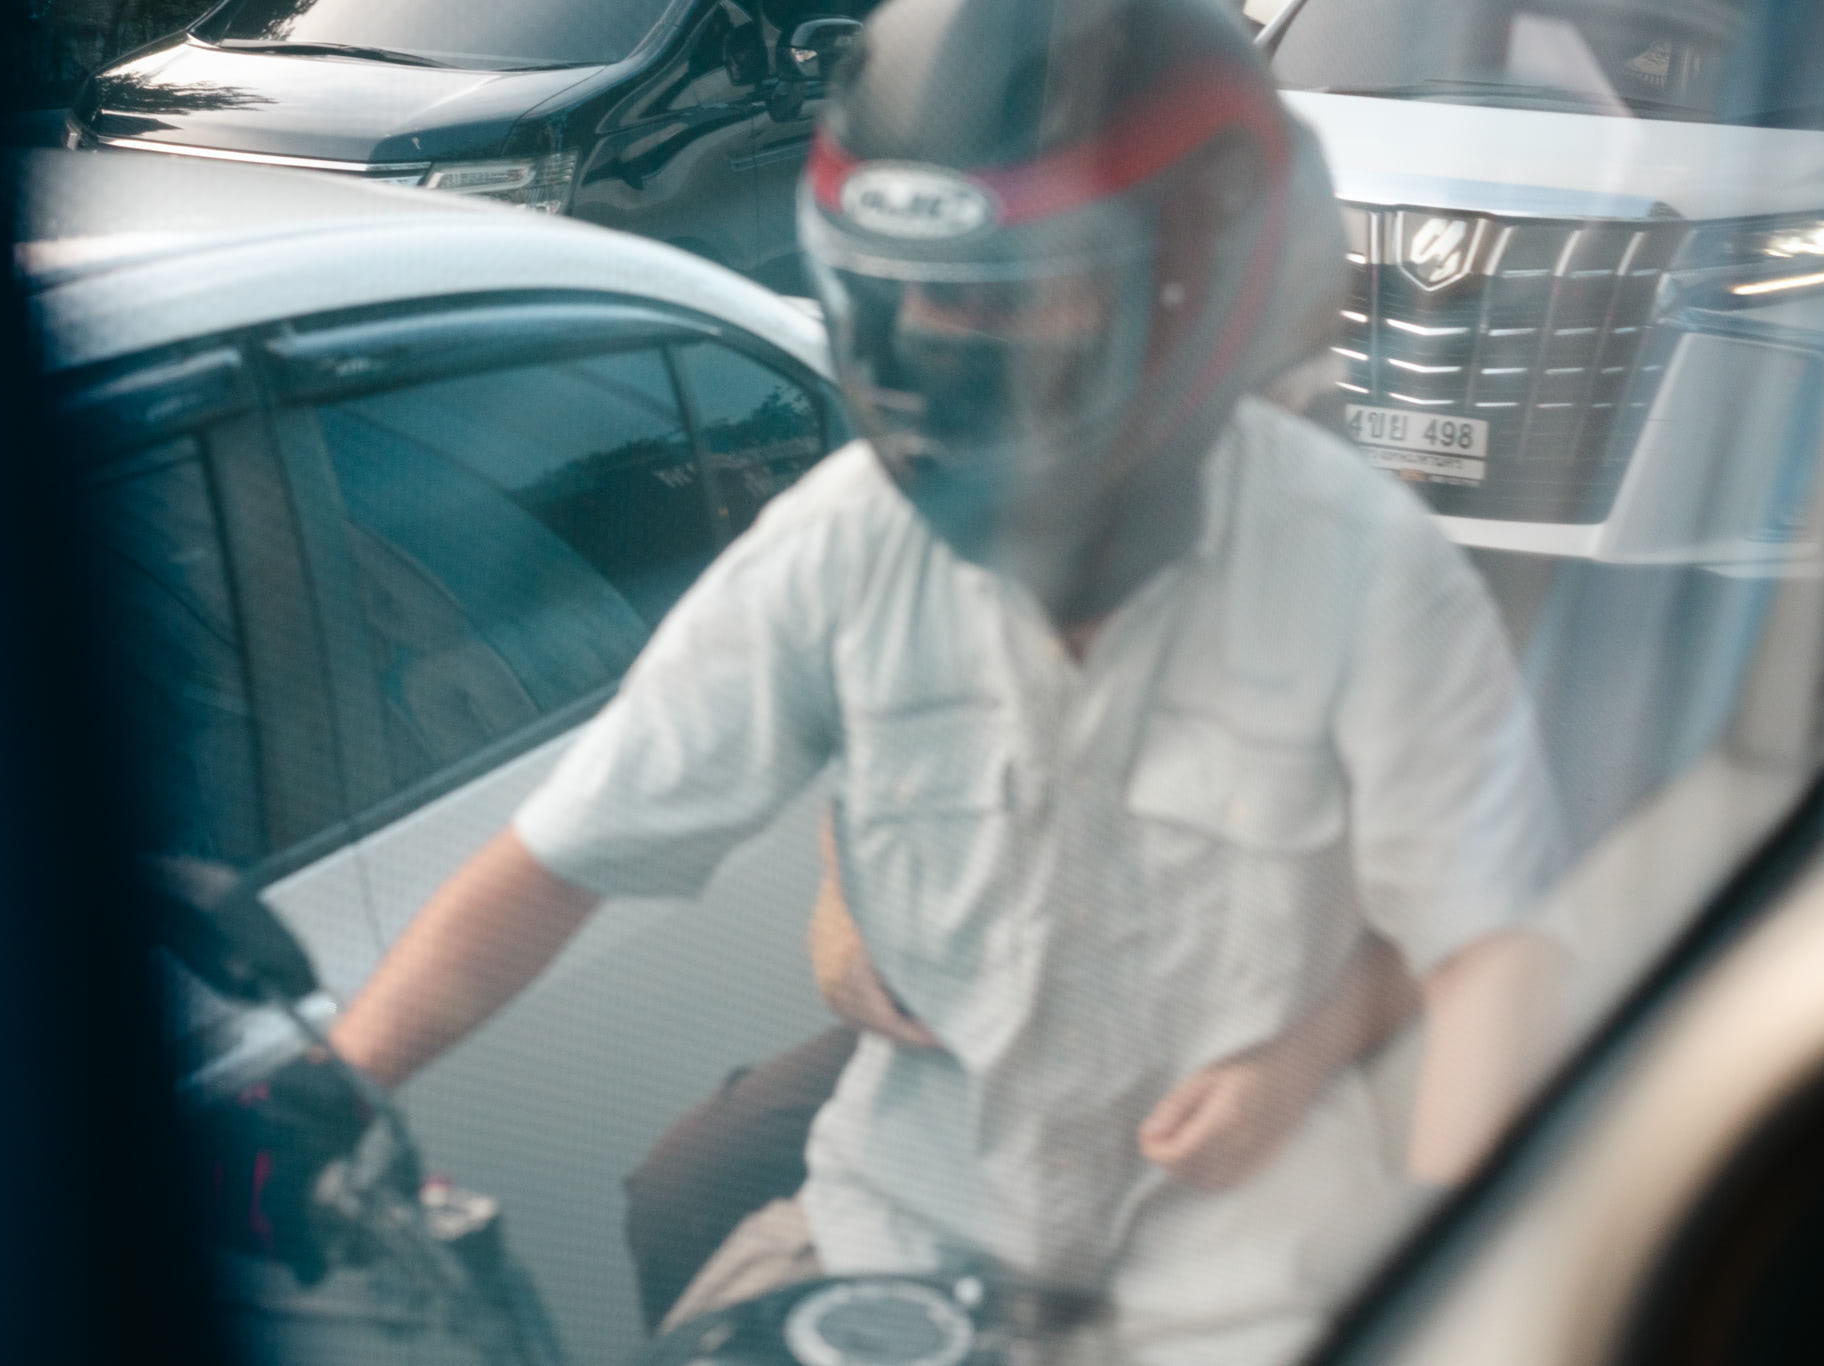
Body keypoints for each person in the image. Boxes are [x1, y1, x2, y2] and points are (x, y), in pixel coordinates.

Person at [317, 0, 1568, 1359]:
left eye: (997, 293)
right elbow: (559, 860)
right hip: (893, 1250)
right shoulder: (848, 539)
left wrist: (1462, 1251)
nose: (921, 351)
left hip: (1239, 1290)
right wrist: (326, 1101)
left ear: (1194, 275)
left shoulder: (1361, 570)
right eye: (890, 289)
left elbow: (1490, 953)